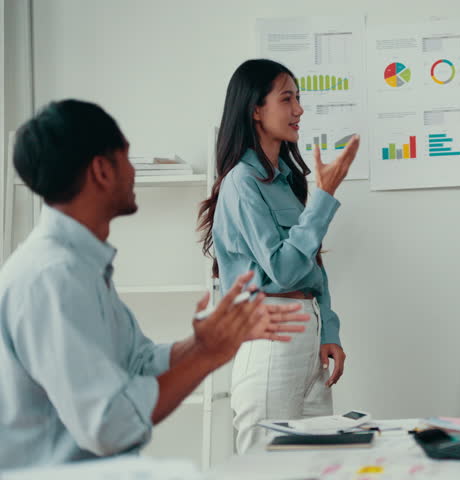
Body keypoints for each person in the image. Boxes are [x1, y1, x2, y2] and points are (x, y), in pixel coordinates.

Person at [0, 100, 308, 469]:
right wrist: (210, 355)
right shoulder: (51, 278)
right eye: (126, 158)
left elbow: (138, 363)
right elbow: (108, 426)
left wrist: (205, 342)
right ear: (101, 170)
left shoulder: (80, 266)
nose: (132, 172)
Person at [197, 59, 359, 453]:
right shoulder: (241, 183)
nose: (299, 110)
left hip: (308, 338)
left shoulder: (286, 182)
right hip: (271, 337)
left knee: (316, 463)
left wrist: (329, 331)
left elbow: (311, 267)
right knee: (264, 465)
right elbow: (284, 270)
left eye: (298, 98)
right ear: (255, 109)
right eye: (287, 99)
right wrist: (324, 198)